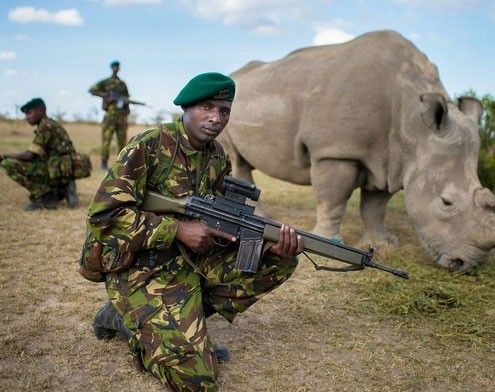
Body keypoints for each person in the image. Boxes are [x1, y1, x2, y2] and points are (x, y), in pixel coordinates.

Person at [86, 72, 303, 391]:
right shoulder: (149, 145)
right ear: (186, 107)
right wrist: (176, 230)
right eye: (207, 107)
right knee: (198, 379)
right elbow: (104, 217)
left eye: (224, 111)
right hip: (139, 269)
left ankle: (186, 322)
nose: (216, 118)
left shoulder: (216, 157)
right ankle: (132, 326)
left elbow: (219, 219)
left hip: (187, 264)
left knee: (279, 260)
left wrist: (267, 244)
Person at [0, 98, 79, 211]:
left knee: (8, 164)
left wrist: (4, 156)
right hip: (60, 169)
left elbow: (31, 155)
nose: (27, 117)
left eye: (30, 113)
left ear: (41, 110)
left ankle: (44, 198)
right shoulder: (51, 124)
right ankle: (60, 190)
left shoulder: (46, 127)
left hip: (56, 170)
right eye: (26, 114)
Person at [89, 60, 130, 170]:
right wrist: (106, 96)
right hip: (110, 116)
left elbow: (127, 98)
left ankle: (121, 164)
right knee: (106, 139)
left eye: (118, 67)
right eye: (114, 67)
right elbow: (92, 90)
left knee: (122, 141)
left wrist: (127, 108)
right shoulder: (105, 82)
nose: (116, 68)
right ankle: (103, 163)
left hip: (121, 117)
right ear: (111, 68)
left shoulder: (122, 84)